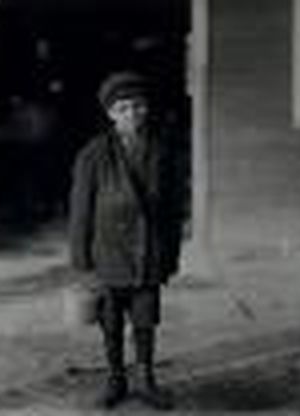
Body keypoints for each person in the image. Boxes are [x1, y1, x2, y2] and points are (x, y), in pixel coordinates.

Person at [69, 71, 185, 410]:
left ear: (146, 109)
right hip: (108, 252)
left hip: (148, 250)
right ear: (110, 113)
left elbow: (173, 209)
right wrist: (82, 261)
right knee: (111, 320)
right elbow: (80, 210)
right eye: (122, 108)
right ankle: (116, 378)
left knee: (146, 318)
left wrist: (171, 255)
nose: (131, 114)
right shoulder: (93, 154)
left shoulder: (163, 149)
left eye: (137, 106)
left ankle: (147, 379)